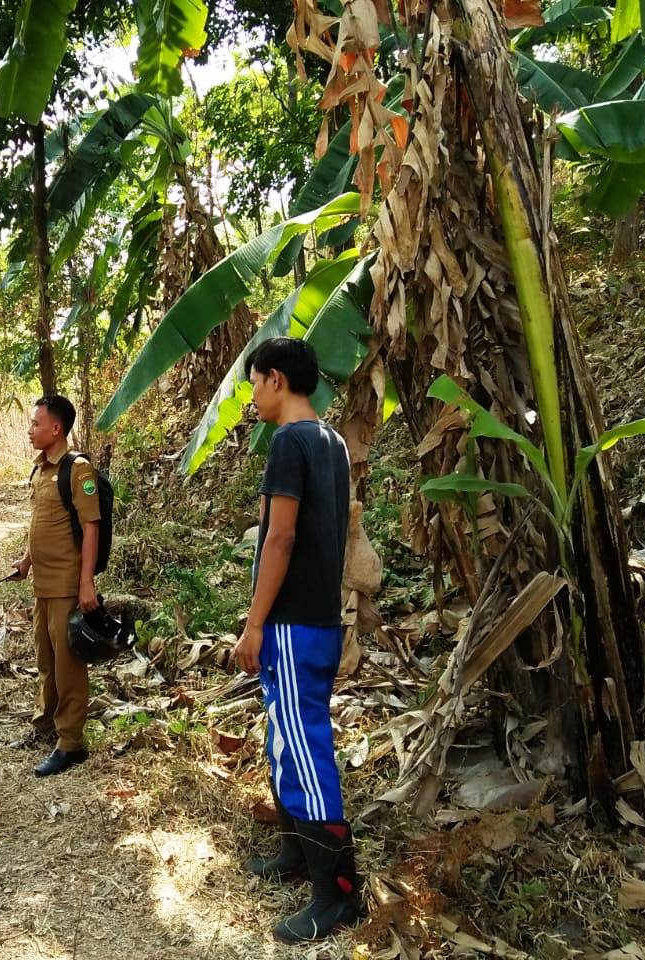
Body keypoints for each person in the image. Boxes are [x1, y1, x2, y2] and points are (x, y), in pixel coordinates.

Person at [230, 337, 362, 943]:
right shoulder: (331, 441)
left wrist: (255, 623)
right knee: (285, 738)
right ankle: (293, 853)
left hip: (293, 621)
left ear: (277, 380)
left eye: (255, 383)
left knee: (304, 748)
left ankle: (335, 893)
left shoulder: (288, 441)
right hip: (318, 616)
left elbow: (277, 539)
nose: (252, 395)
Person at [10, 395, 101, 777]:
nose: (30, 430)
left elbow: (90, 527)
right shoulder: (39, 470)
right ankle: (44, 724)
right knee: (46, 661)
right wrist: (26, 562)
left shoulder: (77, 470)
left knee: (69, 666)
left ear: (56, 428)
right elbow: (42, 524)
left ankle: (70, 742)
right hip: (42, 585)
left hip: (66, 585)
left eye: (35, 424)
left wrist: (86, 584)